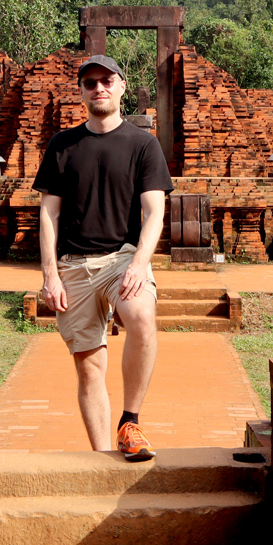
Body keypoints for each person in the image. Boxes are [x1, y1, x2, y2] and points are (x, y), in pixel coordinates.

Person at [32, 54, 174, 461]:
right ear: (81, 91)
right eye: (90, 82)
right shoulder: (63, 145)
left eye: (107, 81)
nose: (99, 88)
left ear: (121, 87)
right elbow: (49, 213)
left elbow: (154, 212)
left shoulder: (143, 144)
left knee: (142, 315)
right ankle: (100, 459)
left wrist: (138, 264)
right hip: (73, 266)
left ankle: (130, 421)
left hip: (121, 258)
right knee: (89, 367)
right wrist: (50, 275)